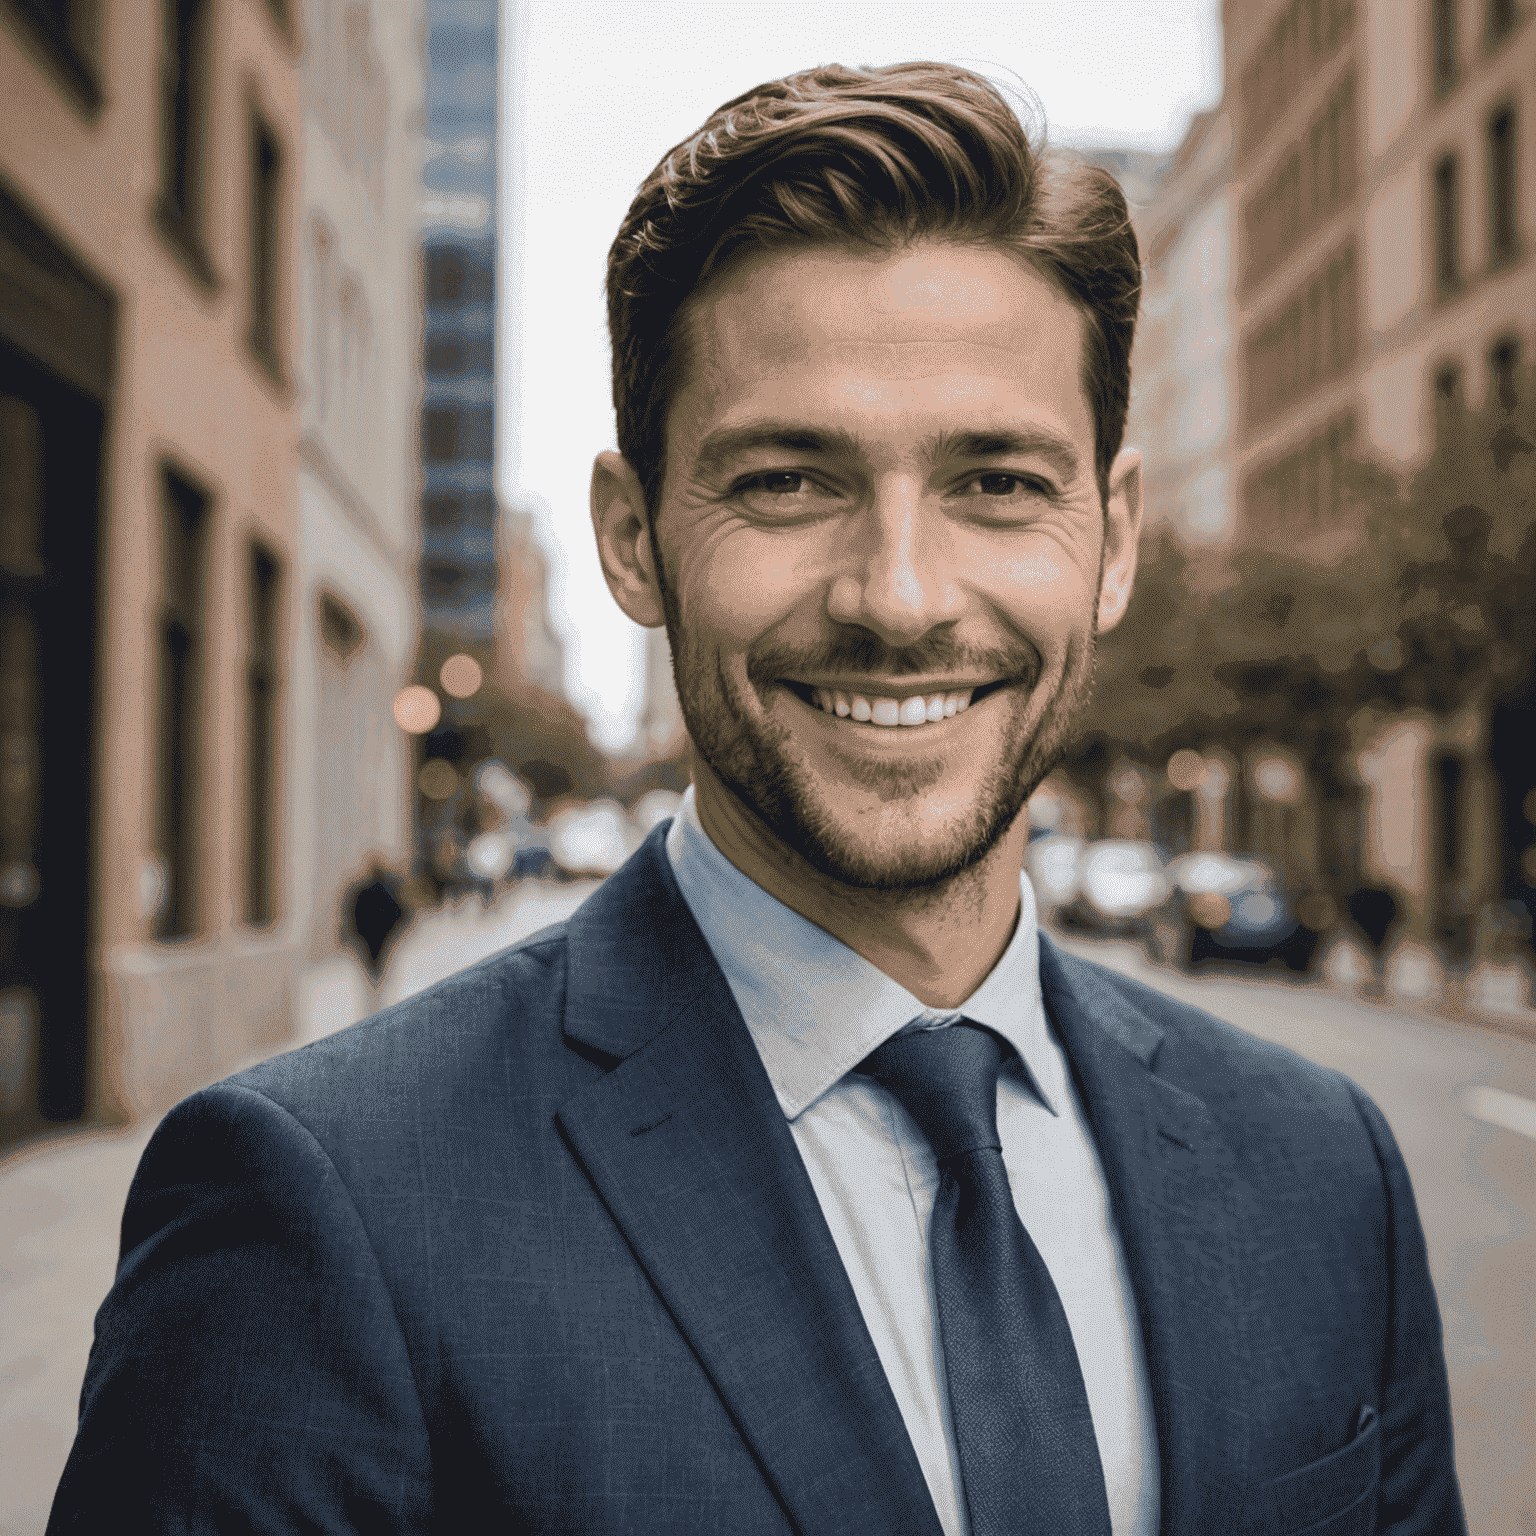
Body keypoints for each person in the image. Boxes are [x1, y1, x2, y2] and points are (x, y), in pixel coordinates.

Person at [49, 64, 1464, 1535]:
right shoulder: (320, 1208)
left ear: (1111, 543)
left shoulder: (1322, 1171)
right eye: (789, 482)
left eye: (996, 483)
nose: (902, 599)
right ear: (634, 540)